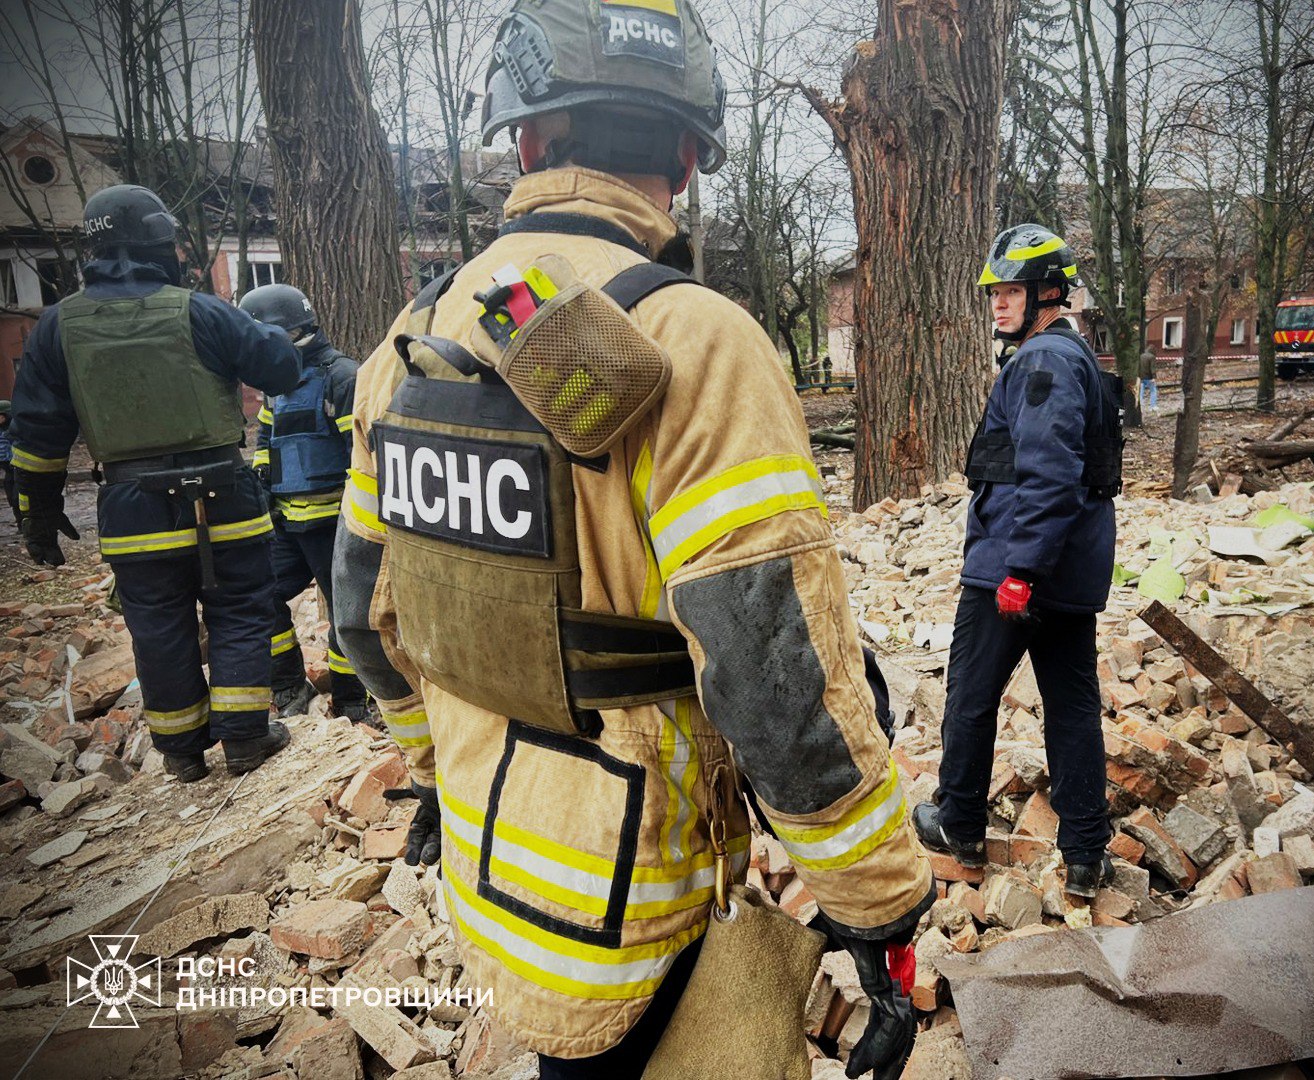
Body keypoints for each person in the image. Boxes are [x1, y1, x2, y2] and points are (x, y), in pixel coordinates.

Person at [331, 2, 933, 1076]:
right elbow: (773, 677)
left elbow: (363, 616)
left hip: (489, 870)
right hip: (639, 906)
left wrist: (431, 767)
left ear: (523, 140)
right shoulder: (700, 340)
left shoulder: (410, 341)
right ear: (689, 159)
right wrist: (879, 907)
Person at [9, 184, 301, 783]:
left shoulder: (56, 326)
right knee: (242, 610)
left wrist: (35, 516)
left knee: (157, 624)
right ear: (160, 242)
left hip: (131, 505)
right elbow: (280, 367)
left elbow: (37, 434)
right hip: (224, 496)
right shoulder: (198, 309)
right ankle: (246, 739)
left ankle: (182, 754)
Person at [912, 223, 1122, 899]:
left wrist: (1019, 572)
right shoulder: (1069, 356)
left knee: (970, 696)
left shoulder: (1042, 364)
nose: (997, 304)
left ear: (1048, 293)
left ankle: (960, 822)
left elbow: (1049, 471)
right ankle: (1086, 855)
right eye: (994, 292)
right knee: (1071, 706)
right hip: (1067, 567)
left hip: (1016, 568)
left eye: (1009, 292)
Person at [239, 284, 368, 722]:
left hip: (337, 526)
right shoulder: (278, 386)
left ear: (287, 334)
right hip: (287, 525)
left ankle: (353, 701)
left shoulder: (342, 378)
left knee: (348, 616)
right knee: (258, 596)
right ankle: (290, 684)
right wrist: (260, 481)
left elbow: (365, 456)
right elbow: (265, 442)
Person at [0, 400, 18, 527]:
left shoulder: (15, 428)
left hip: (19, 467)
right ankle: (20, 522)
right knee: (11, 497)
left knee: (19, 498)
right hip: (7, 467)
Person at [1139, 347, 1158, 412]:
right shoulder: (1152, 357)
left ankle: (1140, 406)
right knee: (1153, 391)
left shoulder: (1141, 356)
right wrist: (1154, 377)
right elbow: (1152, 368)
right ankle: (1153, 406)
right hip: (1149, 378)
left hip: (1141, 377)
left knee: (1141, 392)